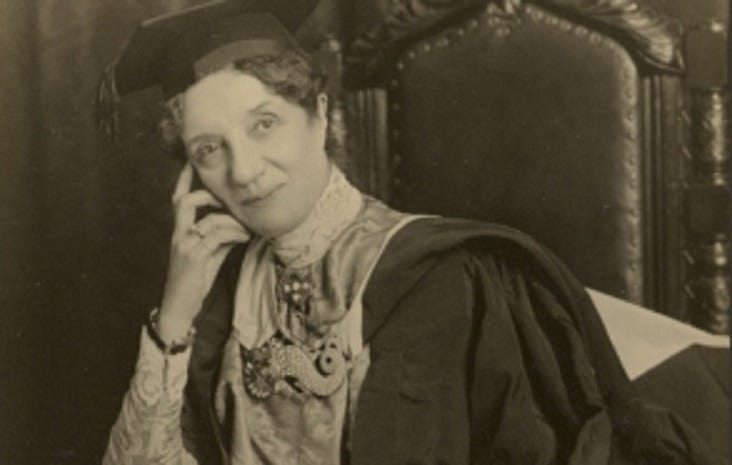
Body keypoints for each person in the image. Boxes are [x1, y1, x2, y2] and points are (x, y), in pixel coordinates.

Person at [98, 1, 723, 464]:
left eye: (264, 124)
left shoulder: (444, 278)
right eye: (210, 149)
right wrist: (176, 313)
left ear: (319, 115)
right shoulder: (216, 291)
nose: (244, 171)